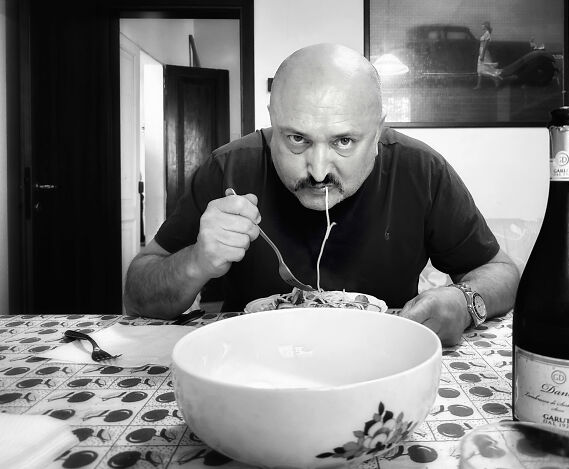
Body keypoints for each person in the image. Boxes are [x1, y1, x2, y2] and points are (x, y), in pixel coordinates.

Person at [124, 43, 519, 345]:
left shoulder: (422, 171)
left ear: (379, 133)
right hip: (251, 361)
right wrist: (197, 261)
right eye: (296, 138)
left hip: (379, 360)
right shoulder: (228, 168)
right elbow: (138, 294)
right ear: (272, 121)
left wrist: (466, 303)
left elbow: (502, 273)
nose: (317, 170)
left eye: (344, 141)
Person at [473, 21, 502, 89]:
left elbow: (485, 45)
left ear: (485, 26)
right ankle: (479, 85)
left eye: (482, 25)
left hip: (484, 52)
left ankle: (496, 80)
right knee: (480, 69)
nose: (481, 26)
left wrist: (482, 55)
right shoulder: (485, 33)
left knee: (486, 69)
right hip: (482, 51)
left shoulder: (487, 34)